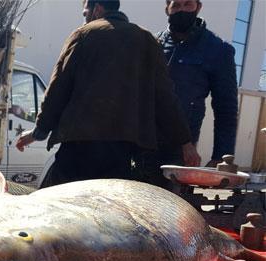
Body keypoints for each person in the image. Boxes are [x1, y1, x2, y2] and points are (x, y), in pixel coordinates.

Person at [16, 0, 200, 187]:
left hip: (77, 147)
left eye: (85, 13)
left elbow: (57, 89)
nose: (85, 19)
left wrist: (39, 132)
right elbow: (165, 97)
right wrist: (185, 142)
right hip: (122, 151)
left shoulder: (83, 34)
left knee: (61, 205)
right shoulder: (146, 40)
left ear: (97, 10)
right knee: (106, 208)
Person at [158, 0, 238, 167]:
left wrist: (220, 157)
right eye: (176, 6)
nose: (182, 10)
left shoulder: (218, 50)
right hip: (144, 144)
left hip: (182, 152)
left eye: (187, 4)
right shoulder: (154, 44)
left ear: (198, 7)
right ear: (167, 9)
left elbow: (226, 108)